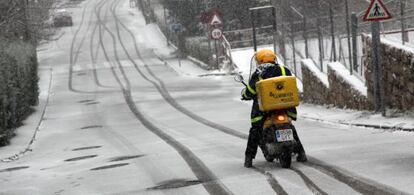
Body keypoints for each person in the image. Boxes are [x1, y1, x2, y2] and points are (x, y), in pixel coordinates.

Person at [241, 49, 307, 168]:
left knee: (255, 131)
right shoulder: (284, 69)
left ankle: (249, 158)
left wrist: (245, 95)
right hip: (285, 106)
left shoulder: (259, 73)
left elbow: (250, 91)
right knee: (291, 127)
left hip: (264, 110)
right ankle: (301, 153)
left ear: (259, 61)